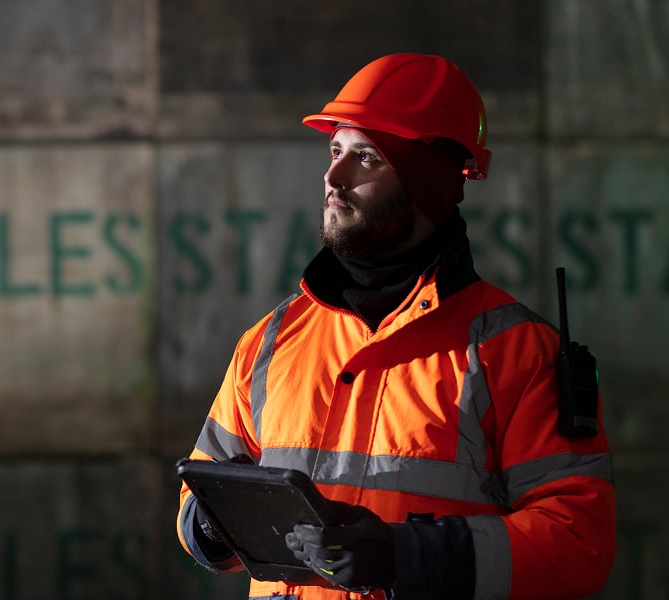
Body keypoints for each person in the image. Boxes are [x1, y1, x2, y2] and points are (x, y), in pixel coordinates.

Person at [176, 53, 616, 600]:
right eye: (335, 150)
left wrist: (408, 556)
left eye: (366, 156)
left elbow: (577, 545)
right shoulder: (271, 340)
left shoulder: (517, 352)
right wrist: (213, 521)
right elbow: (200, 491)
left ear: (427, 183)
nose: (333, 175)